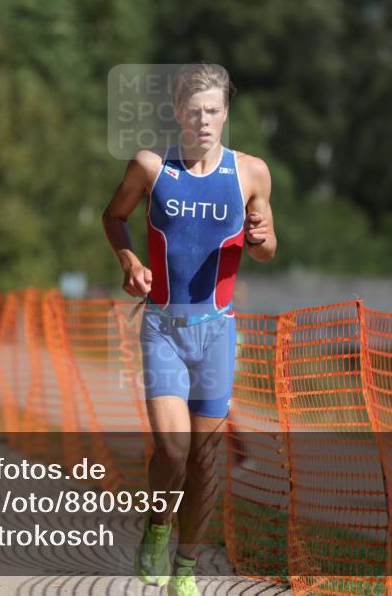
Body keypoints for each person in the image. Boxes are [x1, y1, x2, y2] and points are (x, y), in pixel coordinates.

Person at [102, 63, 276, 596]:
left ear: (226, 113)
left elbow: (267, 248)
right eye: (194, 111)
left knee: (204, 458)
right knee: (174, 451)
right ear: (178, 113)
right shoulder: (152, 168)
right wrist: (129, 261)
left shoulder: (250, 173)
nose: (204, 121)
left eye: (214, 111)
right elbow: (114, 217)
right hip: (164, 327)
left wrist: (262, 235)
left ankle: (186, 566)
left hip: (218, 332)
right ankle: (157, 528)